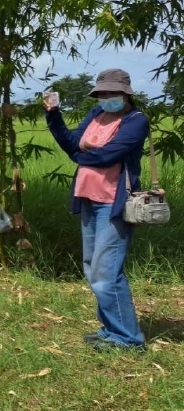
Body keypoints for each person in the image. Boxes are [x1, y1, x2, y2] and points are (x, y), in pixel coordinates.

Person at [45, 68, 149, 351]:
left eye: (112, 92)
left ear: (126, 94)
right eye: (102, 93)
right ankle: (111, 329)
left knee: (107, 271)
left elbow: (108, 155)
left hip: (113, 203)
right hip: (89, 198)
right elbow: (71, 145)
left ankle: (128, 339)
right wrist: (54, 115)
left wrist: (84, 150)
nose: (107, 97)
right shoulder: (96, 115)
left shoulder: (136, 121)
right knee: (94, 268)